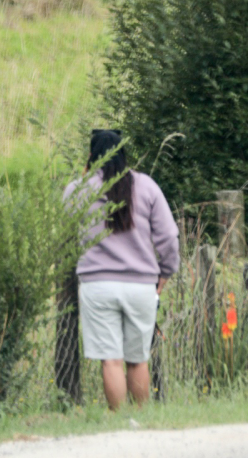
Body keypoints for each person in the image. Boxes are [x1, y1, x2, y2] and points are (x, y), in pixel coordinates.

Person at [65, 129, 180, 410]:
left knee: (111, 360)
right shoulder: (146, 186)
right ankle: (142, 417)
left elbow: (65, 235)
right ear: (123, 155)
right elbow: (168, 237)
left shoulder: (77, 190)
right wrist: (165, 273)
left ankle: (118, 421)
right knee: (138, 359)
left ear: (91, 156)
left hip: (97, 285)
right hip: (141, 286)